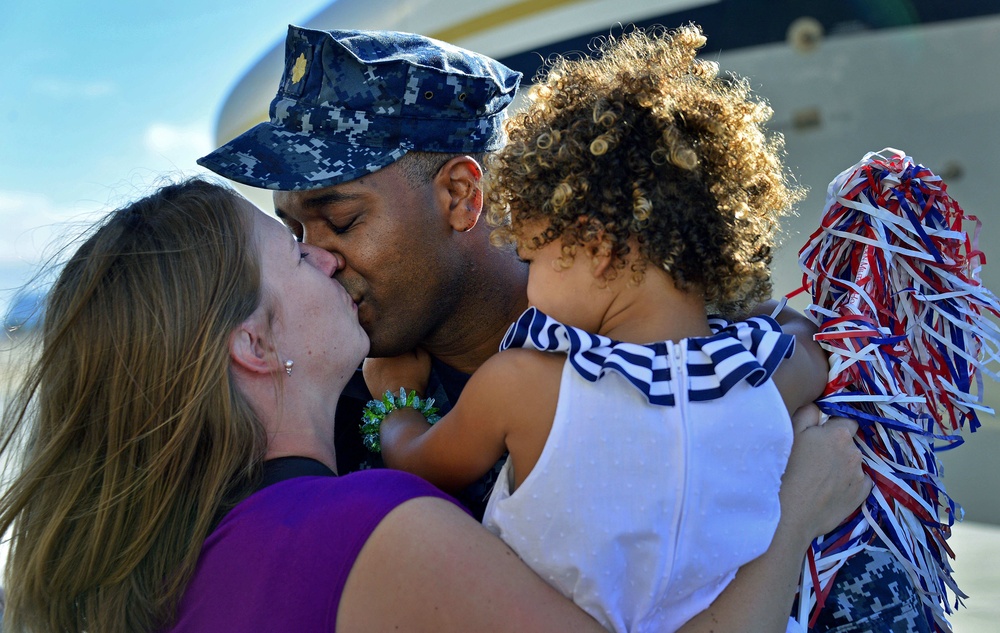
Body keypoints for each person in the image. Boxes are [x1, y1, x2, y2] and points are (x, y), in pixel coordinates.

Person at [198, 25, 922, 632]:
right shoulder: (322, 412)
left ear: (459, 194)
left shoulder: (713, 341)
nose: (317, 258)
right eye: (295, 232)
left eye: (343, 219)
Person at [0, 178, 866, 633]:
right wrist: (795, 514)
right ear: (255, 348)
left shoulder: (192, 554)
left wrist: (395, 416)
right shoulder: (368, 530)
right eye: (294, 256)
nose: (327, 260)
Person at [358, 26, 828, 633]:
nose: (528, 284)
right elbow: (807, 340)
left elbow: (421, 465)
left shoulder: (523, 385)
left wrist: (394, 402)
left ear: (596, 247)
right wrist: (739, 314)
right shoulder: (767, 377)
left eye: (533, 257)